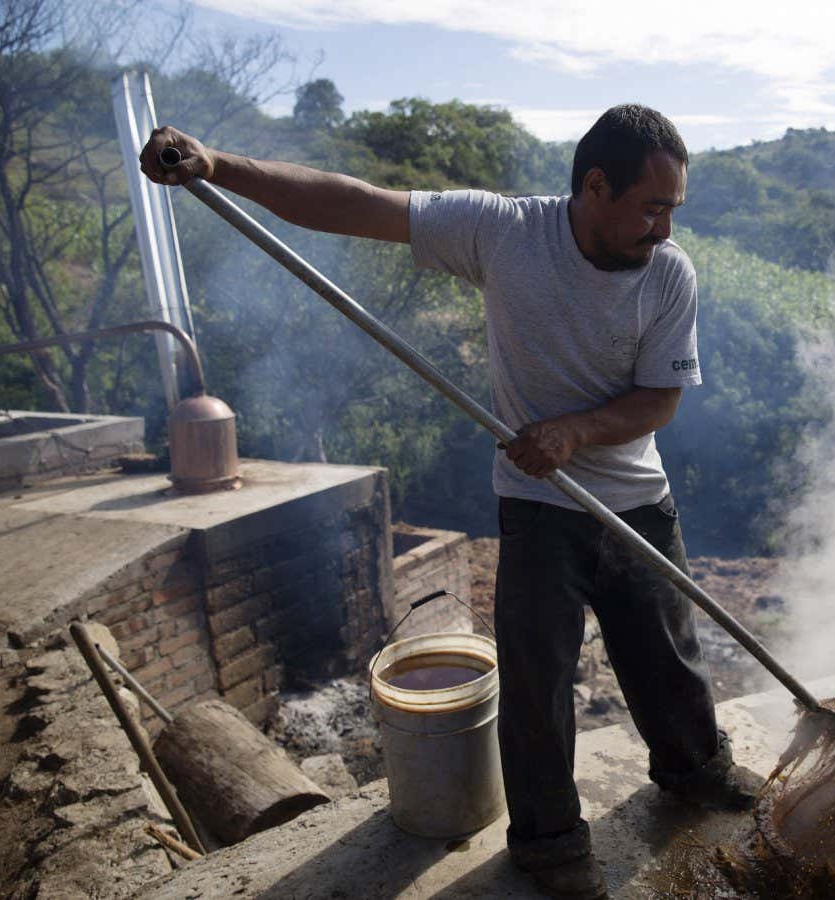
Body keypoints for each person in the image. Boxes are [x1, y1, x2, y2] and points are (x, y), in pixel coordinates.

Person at [141, 103, 760, 900]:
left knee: (668, 657)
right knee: (536, 684)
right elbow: (354, 201)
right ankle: (548, 842)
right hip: (537, 507)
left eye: (673, 210)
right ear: (595, 188)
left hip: (637, 499)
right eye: (651, 208)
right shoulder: (503, 233)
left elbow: (659, 400)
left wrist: (572, 432)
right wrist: (220, 166)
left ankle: (695, 771)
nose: (665, 229)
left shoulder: (670, 274)